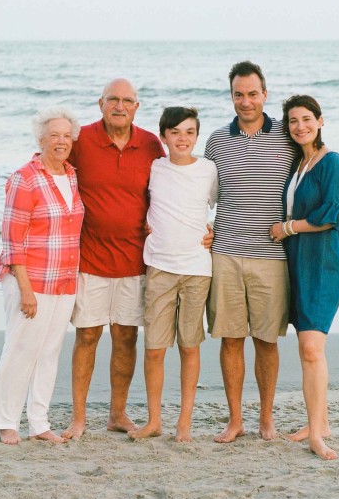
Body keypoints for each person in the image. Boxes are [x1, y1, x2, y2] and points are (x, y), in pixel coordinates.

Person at [61, 79, 165, 439]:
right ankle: (78, 418)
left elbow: (169, 188)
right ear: (100, 103)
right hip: (90, 258)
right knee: (87, 336)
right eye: (113, 100)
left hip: (135, 260)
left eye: (127, 100)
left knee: (125, 338)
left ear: (137, 106)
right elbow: (51, 168)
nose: (119, 106)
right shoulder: (82, 140)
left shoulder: (151, 144)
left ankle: (117, 414)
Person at [202, 61, 294, 443]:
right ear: (232, 96)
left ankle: (266, 419)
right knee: (230, 338)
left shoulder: (288, 139)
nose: (246, 101)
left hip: (272, 257)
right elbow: (202, 195)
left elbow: (318, 169)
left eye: (252, 94)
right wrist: (200, 229)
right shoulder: (216, 141)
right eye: (239, 94)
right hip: (224, 253)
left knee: (266, 340)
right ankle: (236, 419)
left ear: (265, 94)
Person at [0, 107, 84, 445]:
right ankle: (5, 420)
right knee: (20, 350)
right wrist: (25, 290)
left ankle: (39, 422)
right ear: (40, 140)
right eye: (53, 135)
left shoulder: (71, 175)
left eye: (66, 136)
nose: (61, 141)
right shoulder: (24, 177)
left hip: (64, 280)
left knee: (49, 352)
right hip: (30, 281)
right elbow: (12, 239)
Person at [129, 107, 217, 443]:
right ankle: (154, 421)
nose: (183, 138)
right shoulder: (154, 167)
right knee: (154, 348)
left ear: (197, 136)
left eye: (190, 132)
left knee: (189, 346)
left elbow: (217, 205)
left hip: (196, 268)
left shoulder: (208, 169)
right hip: (160, 268)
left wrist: (213, 231)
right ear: (163, 136)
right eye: (176, 132)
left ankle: (184, 422)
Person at [269, 94, 339, 460]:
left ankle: (317, 434)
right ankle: (320, 421)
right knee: (307, 350)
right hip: (296, 263)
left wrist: (287, 228)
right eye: (292, 121)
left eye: (306, 119)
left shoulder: (333, 161)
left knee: (311, 349)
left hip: (323, 264)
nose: (299, 126)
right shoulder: (297, 164)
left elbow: (332, 214)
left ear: (320, 121)